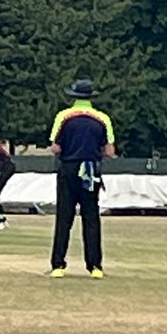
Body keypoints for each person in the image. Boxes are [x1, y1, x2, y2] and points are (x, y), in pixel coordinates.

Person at [47, 78, 116, 278]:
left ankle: (58, 265)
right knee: (91, 218)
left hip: (69, 168)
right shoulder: (103, 118)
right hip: (90, 170)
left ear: (74, 96)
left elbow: (55, 147)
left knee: (64, 217)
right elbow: (110, 151)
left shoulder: (63, 116)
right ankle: (95, 267)